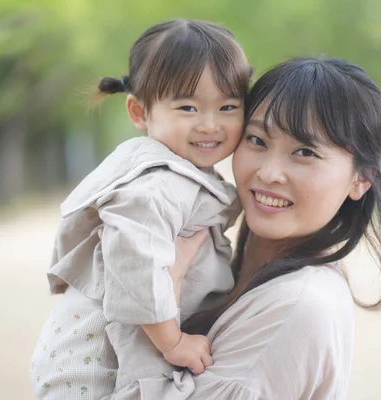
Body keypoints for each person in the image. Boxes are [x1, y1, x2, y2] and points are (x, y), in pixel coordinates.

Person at [109, 57, 381, 399]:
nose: (269, 173)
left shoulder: (296, 307)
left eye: (305, 152)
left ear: (361, 179)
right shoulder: (232, 269)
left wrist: (157, 297)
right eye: (257, 140)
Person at [29, 19, 251, 399]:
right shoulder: (156, 180)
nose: (210, 124)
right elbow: (133, 255)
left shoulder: (180, 170)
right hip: (91, 361)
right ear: (139, 112)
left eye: (228, 106)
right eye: (188, 107)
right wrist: (173, 343)